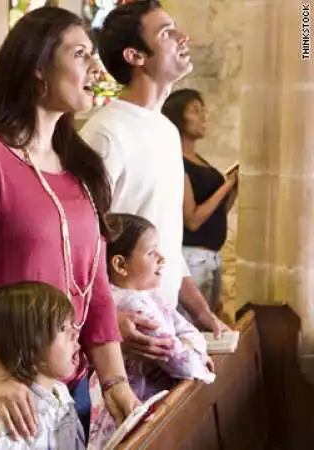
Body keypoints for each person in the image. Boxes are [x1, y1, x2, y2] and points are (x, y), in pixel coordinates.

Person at [0, 6, 139, 441]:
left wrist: (114, 380)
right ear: (39, 68)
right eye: (81, 54)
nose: (96, 67)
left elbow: (96, 285)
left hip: (69, 384)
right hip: (5, 391)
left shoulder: (80, 167)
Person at [78, 1, 228, 366]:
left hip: (163, 315)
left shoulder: (165, 131)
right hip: (123, 330)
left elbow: (168, 242)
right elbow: (81, 244)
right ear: (135, 55)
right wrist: (106, 321)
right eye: (165, 32)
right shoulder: (105, 132)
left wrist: (200, 310)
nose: (182, 37)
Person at [86, 213, 215, 449]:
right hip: (135, 409)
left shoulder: (146, 295)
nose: (162, 258)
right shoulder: (133, 306)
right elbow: (184, 363)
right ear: (120, 264)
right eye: (150, 252)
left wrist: (189, 343)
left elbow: (187, 329)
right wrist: (196, 353)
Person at [0, 282, 85, 449]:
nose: (75, 333)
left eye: (72, 324)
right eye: (63, 328)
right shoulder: (8, 425)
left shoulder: (60, 393)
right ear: (27, 349)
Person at [162, 89, 237, 314]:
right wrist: (226, 186)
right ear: (178, 117)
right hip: (192, 257)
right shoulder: (176, 160)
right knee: (194, 326)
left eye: (203, 110)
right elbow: (193, 220)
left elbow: (217, 212)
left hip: (211, 257)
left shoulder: (199, 160)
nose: (204, 116)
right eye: (195, 111)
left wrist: (234, 187)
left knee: (209, 327)